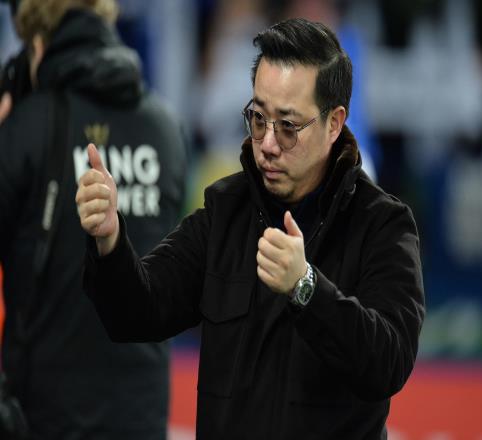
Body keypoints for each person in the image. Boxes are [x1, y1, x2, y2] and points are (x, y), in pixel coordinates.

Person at [77, 18, 425, 439]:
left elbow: (389, 364)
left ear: (334, 123)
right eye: (258, 119)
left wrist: (306, 288)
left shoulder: (383, 224)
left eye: (288, 126)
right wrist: (110, 240)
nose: (268, 144)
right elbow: (136, 313)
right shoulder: (226, 209)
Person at [0, 0, 187, 438]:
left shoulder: (25, 127)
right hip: (143, 418)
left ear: (37, 45)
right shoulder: (166, 128)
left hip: (43, 421)